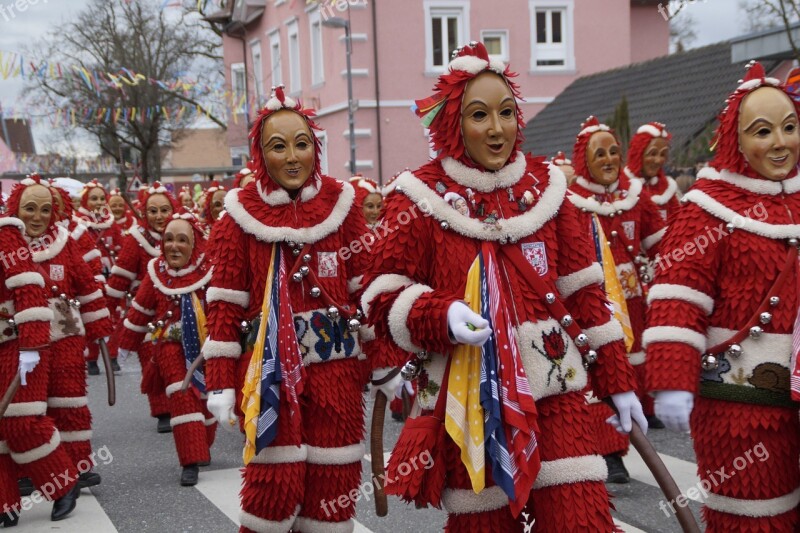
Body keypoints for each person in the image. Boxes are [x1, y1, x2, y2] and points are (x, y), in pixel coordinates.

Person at [361, 42, 643, 531]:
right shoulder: (415, 197)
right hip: (466, 399)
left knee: (581, 519)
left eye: (507, 112)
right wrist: (440, 314)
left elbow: (587, 299)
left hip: (557, 389)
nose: (496, 128)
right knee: (484, 525)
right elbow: (381, 300)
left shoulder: (551, 191)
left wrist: (619, 384)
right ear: (453, 123)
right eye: (479, 115)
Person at [202, 86, 388, 533]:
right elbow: (225, 308)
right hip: (268, 373)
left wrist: (387, 362)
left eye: (302, 144)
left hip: (338, 374)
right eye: (278, 146)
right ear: (259, 154)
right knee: (273, 486)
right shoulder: (238, 217)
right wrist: (221, 384)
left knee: (333, 483)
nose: (292, 157)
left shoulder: (342, 208)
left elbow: (367, 295)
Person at [646, 61, 800, 531]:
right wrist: (672, 377)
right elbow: (677, 299)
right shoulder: (705, 210)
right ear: (735, 138)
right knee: (754, 514)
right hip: (739, 403)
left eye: (790, 127)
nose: (780, 142)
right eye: (763, 130)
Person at [567, 116, 666, 482]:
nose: (609, 159)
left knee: (632, 367)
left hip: (633, 301)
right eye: (600, 153)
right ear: (584, 159)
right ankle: (609, 453)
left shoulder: (635, 197)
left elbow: (663, 244)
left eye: (614, 152)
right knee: (602, 373)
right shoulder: (568, 203)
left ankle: (626, 437)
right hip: (591, 304)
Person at [6, 175, 112, 495]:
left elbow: (87, 285)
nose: (37, 217)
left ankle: (77, 464)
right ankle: (30, 469)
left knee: (69, 399)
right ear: (16, 209)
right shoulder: (8, 244)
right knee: (30, 406)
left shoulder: (64, 242)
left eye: (45, 210)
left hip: (64, 330)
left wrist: (98, 328)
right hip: (22, 336)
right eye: (30, 209)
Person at [0, 176, 80, 525]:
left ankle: (63, 484)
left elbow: (30, 290)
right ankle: (5, 503)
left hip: (17, 343)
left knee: (23, 422)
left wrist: (31, 347)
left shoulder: (6, 235)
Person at [119, 210, 217, 486]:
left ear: (195, 243)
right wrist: (125, 344)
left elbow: (225, 307)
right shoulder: (156, 272)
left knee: (206, 400)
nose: (174, 246)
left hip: (205, 347)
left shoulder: (211, 270)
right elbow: (140, 308)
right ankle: (190, 460)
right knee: (182, 395)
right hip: (170, 347)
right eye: (169, 240)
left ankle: (203, 442)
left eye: (182, 240)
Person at [106, 182, 177, 433]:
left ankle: (183, 404)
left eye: (165, 210)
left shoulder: (185, 233)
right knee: (152, 360)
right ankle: (162, 411)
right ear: (144, 213)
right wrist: (103, 312)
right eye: (153, 211)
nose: (159, 216)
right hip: (146, 311)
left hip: (179, 310)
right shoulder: (135, 241)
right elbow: (118, 281)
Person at [624, 122, 680, 221]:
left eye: (662, 155)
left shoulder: (668, 189)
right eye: (652, 154)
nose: (658, 160)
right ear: (638, 154)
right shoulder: (622, 187)